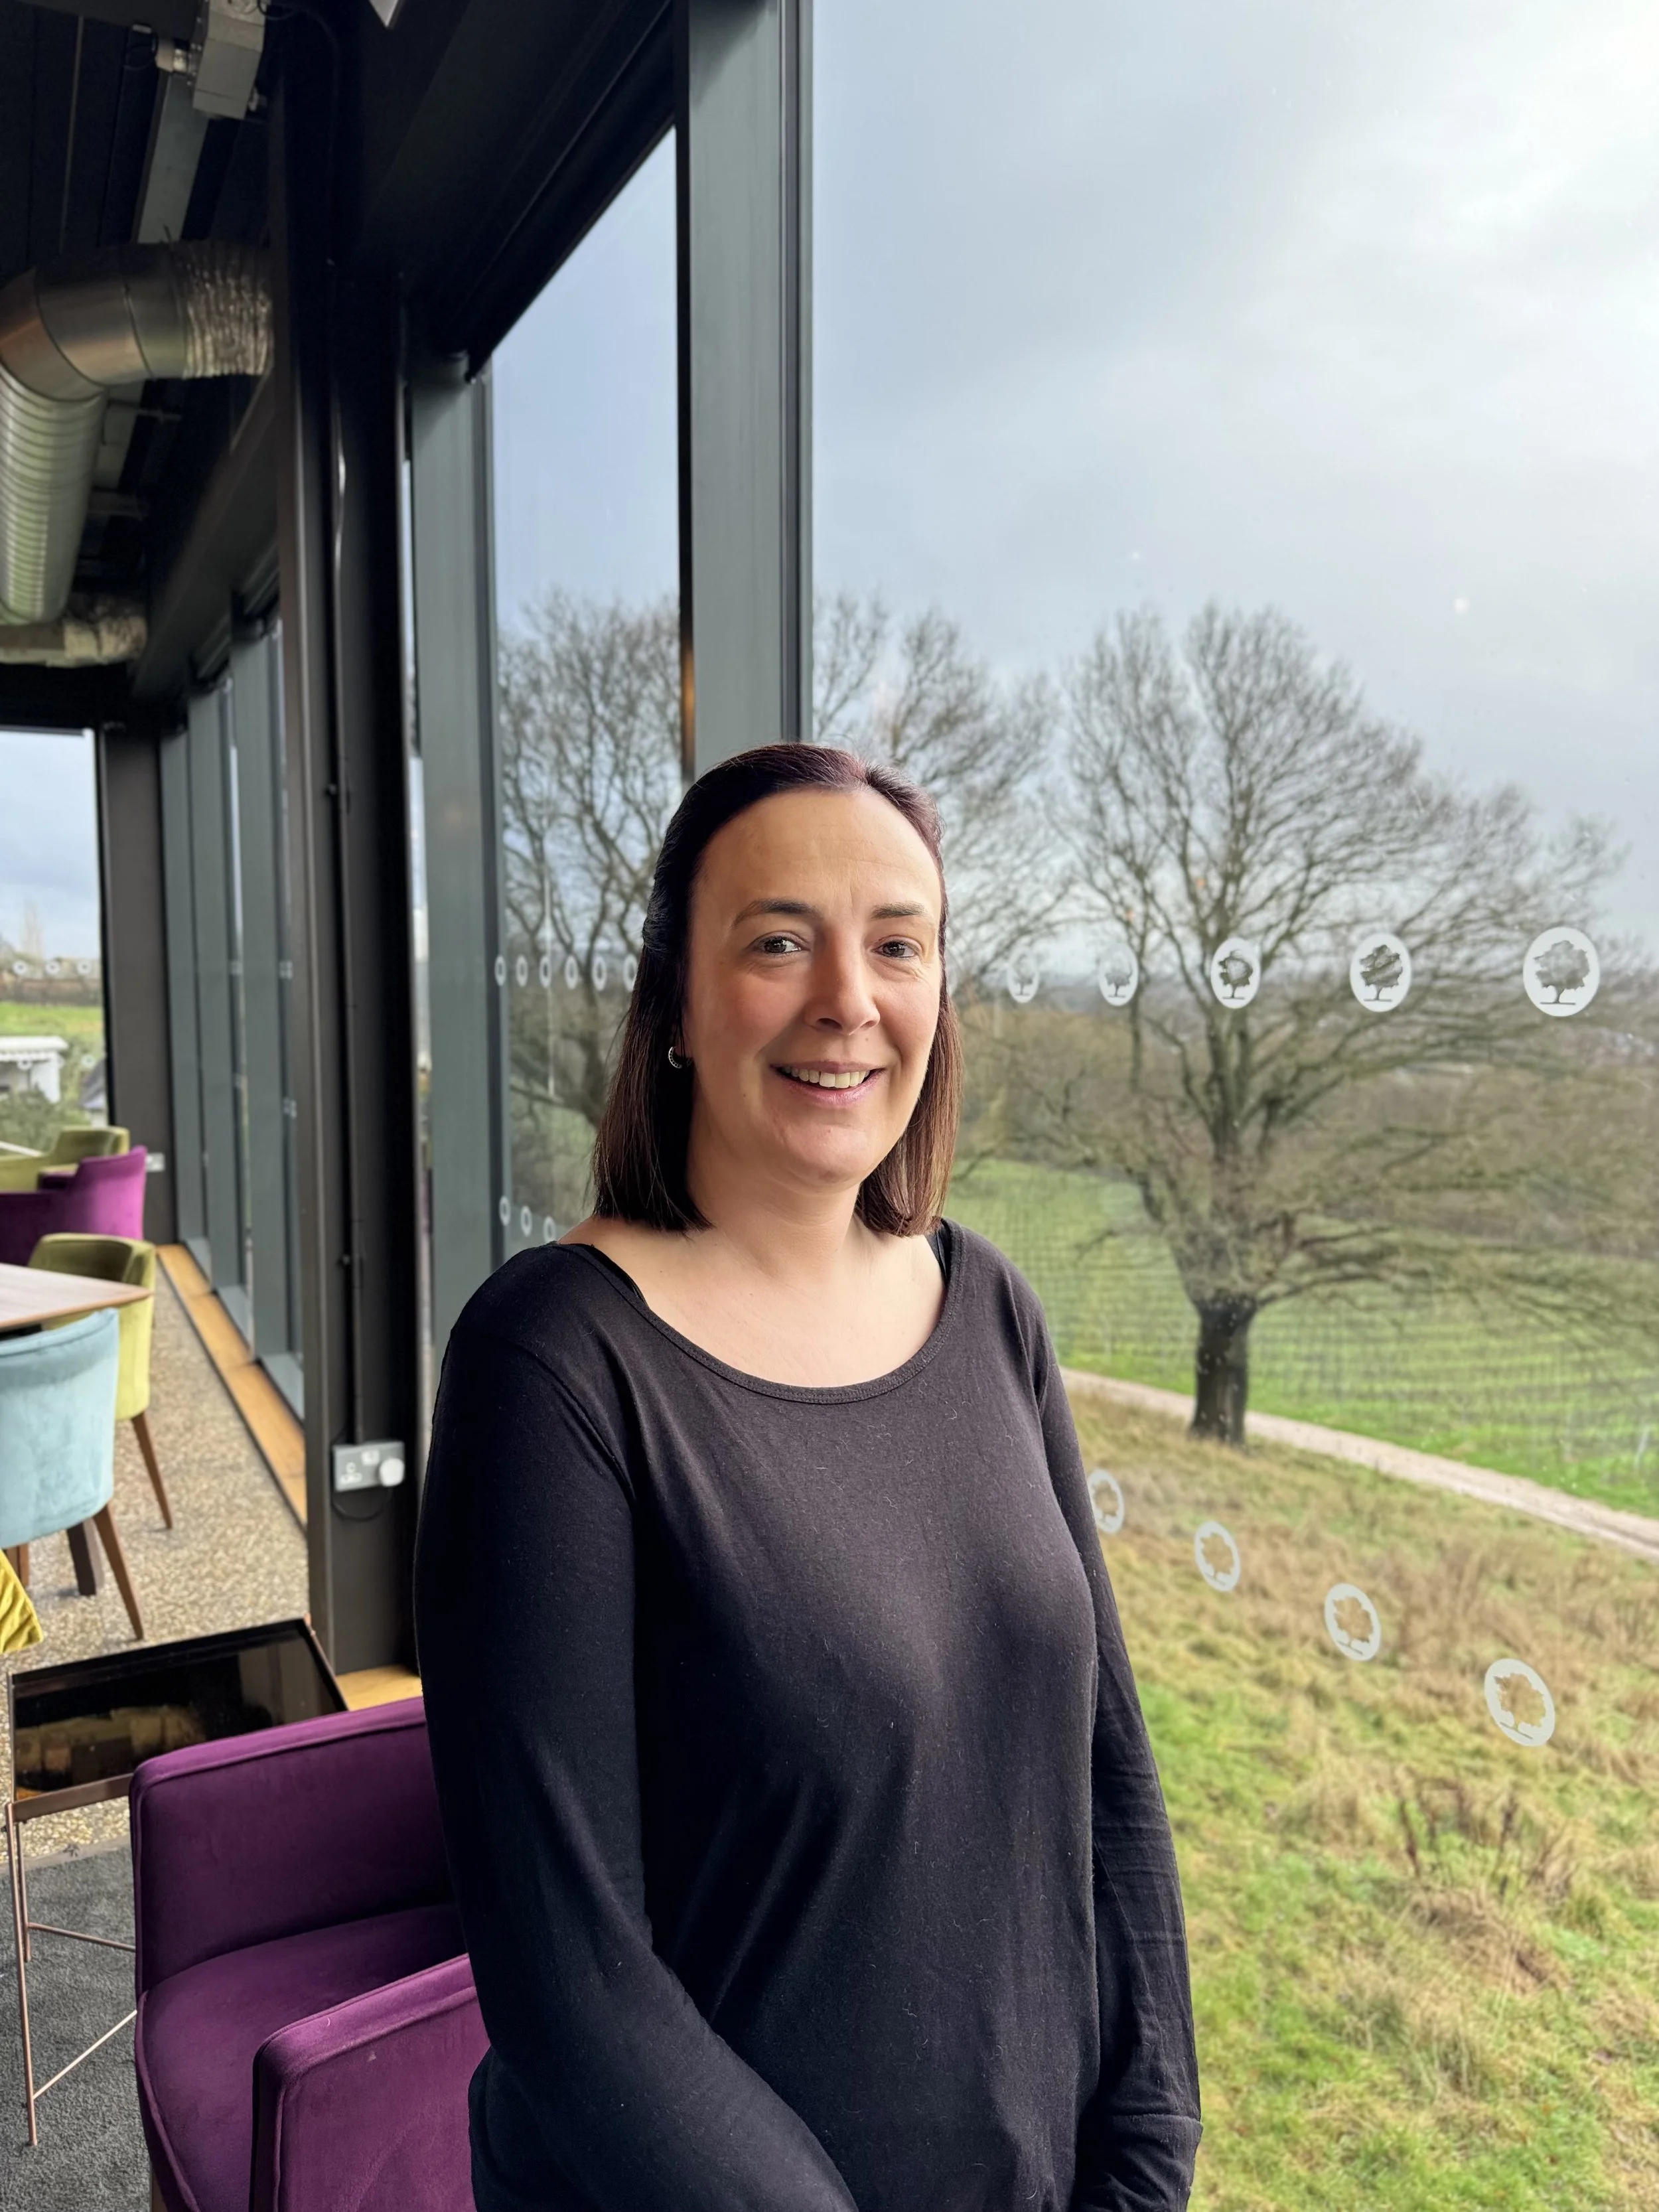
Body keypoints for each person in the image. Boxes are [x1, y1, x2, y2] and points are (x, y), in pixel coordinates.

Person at [415, 744, 1202, 2212]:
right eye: (779, 940)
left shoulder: (989, 1309)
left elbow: (1109, 1782)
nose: (849, 998)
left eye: (898, 943)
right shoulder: (553, 1362)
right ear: (673, 1008)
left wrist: (1144, 2162)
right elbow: (567, 1977)